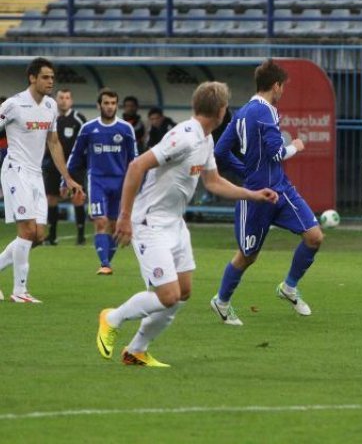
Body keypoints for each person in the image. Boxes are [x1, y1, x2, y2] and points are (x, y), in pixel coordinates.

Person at [96, 82, 278, 367]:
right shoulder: (183, 136)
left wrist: (252, 194)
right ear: (220, 111)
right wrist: (124, 217)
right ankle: (112, 317)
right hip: (150, 222)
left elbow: (213, 181)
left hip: (175, 224)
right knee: (167, 295)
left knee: (183, 292)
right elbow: (136, 167)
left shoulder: (205, 140)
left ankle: (136, 351)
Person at [210, 60, 325, 325]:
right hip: (257, 197)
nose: (282, 92)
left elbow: (220, 152)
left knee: (314, 236)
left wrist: (247, 170)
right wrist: (296, 145)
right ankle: (221, 302)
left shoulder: (241, 114)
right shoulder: (268, 112)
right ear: (276, 85)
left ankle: (289, 287)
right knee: (247, 256)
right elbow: (278, 152)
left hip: (281, 190)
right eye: (282, 87)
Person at [0, 58, 84, 303]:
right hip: (15, 171)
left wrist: (67, 177)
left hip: (36, 174)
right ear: (32, 78)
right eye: (46, 77)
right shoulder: (13, 105)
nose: (50, 81)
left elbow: (53, 142)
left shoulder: (50, 106)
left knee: (38, 236)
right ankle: (20, 290)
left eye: (52, 77)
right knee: (26, 231)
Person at [67, 89, 138, 275]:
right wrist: (64, 180)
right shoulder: (89, 129)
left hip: (120, 182)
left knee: (114, 225)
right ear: (99, 105)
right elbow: (75, 156)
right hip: (96, 180)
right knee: (100, 221)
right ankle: (104, 263)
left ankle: (107, 263)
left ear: (117, 105)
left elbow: (135, 160)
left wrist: (138, 184)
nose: (109, 107)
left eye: (113, 103)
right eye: (106, 103)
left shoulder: (125, 129)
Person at [42, 88, 86, 246]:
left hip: (74, 166)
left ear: (71, 101)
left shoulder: (78, 119)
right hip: (53, 165)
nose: (64, 101)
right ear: (56, 99)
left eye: (67, 98)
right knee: (51, 198)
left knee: (77, 198)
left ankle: (81, 235)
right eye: (61, 97)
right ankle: (52, 235)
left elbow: (84, 143)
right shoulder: (49, 117)